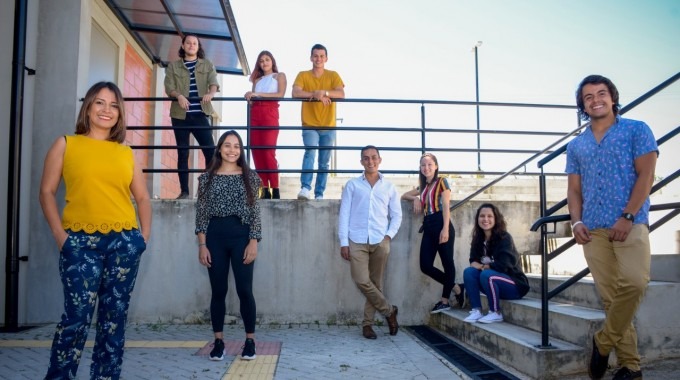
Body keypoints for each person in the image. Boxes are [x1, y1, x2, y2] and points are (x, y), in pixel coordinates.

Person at [39, 81, 152, 379]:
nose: (107, 110)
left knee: (113, 320)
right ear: (88, 107)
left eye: (114, 105)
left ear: (120, 114)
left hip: (124, 244)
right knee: (76, 319)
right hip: (79, 243)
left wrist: (143, 238)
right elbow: (46, 192)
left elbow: (142, 197)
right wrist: (60, 237)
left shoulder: (125, 153)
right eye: (100, 102)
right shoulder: (66, 144)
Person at [566, 75, 657, 380]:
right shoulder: (576, 145)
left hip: (630, 224)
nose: (595, 100)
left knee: (634, 283)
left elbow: (646, 176)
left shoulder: (637, 130)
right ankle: (631, 366)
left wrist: (628, 216)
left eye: (601, 93)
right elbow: (574, 190)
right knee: (611, 298)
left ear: (613, 97)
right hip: (593, 230)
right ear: (583, 105)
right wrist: (576, 221)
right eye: (588, 97)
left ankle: (603, 343)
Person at [195, 130, 262, 361]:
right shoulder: (206, 178)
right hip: (214, 238)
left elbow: (255, 213)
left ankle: (250, 341)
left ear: (241, 150)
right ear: (220, 148)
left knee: (245, 290)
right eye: (227, 145)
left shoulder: (250, 177)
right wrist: (202, 245)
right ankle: (219, 341)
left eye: (236, 146)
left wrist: (253, 241)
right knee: (218, 291)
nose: (232, 150)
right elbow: (201, 214)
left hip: (241, 236)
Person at [338, 145, 402, 340]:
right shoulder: (352, 185)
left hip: (380, 240)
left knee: (376, 283)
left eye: (374, 157)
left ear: (380, 160)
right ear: (361, 162)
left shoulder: (389, 187)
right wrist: (343, 242)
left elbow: (397, 215)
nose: (370, 161)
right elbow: (344, 214)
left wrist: (388, 236)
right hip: (356, 240)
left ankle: (367, 325)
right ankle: (389, 311)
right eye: (366, 158)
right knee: (362, 280)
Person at [401, 153, 464, 313]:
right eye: (423, 165)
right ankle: (457, 288)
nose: (426, 167)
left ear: (436, 166)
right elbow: (404, 195)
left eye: (430, 164)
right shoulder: (422, 187)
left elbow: (446, 205)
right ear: (420, 168)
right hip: (428, 226)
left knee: (447, 263)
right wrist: (415, 199)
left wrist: (445, 229)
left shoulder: (442, 182)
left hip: (441, 223)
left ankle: (444, 300)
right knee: (425, 265)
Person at [164, 33, 219, 199]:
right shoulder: (173, 66)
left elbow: (214, 83)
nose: (191, 45)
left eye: (194, 43)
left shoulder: (207, 64)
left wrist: (210, 93)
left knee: (210, 152)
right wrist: (178, 96)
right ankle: (184, 192)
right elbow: (169, 87)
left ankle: (207, 190)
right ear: (183, 45)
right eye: (188, 43)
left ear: (198, 46)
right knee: (183, 153)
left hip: (200, 113)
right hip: (180, 116)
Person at [292, 43, 345, 200]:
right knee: (310, 152)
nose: (318, 59)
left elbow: (341, 93)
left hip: (328, 125)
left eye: (322, 56)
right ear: (311, 58)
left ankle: (319, 194)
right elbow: (295, 92)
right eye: (315, 56)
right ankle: (305, 188)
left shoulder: (333, 75)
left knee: (324, 162)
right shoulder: (303, 75)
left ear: (326, 58)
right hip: (309, 124)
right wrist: (314, 94)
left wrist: (326, 92)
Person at [462, 203, 529, 324]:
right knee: (469, 273)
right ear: (478, 219)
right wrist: (479, 266)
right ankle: (476, 310)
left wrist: (483, 267)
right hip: (494, 284)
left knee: (487, 275)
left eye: (489, 216)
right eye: (482, 216)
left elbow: (505, 264)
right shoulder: (478, 239)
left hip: (514, 284)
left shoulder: (504, 238)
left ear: (496, 219)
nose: (485, 219)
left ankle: (495, 312)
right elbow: (473, 261)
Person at [244, 50, 287, 199]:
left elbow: (280, 94)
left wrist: (258, 95)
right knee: (256, 151)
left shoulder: (279, 76)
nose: (264, 63)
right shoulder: (257, 81)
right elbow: (254, 98)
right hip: (255, 113)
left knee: (268, 150)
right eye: (261, 61)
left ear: (272, 61)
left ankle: (274, 188)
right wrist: (250, 96)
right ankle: (263, 188)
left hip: (270, 112)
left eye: (267, 59)